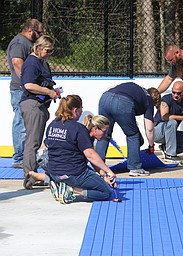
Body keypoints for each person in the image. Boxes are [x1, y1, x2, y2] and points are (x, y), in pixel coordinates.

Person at [26, 95, 117, 204]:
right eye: (81, 109)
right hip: (74, 173)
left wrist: (103, 175)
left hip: (54, 170)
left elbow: (47, 146)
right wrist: (109, 171)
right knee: (106, 192)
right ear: (75, 110)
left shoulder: (52, 125)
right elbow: (90, 155)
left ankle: (52, 180)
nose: (82, 111)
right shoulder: (79, 129)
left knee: (65, 174)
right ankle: (72, 189)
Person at [96, 82, 161, 176]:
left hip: (105, 98)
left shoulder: (137, 90)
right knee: (133, 135)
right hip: (122, 102)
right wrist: (151, 146)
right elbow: (150, 128)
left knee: (103, 134)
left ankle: (98, 168)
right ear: (154, 99)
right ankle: (135, 168)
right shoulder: (148, 99)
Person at [20, 35, 59, 189]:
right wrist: (48, 92)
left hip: (40, 105)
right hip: (32, 104)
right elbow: (28, 85)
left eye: (51, 51)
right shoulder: (31, 63)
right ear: (39, 48)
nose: (49, 53)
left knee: (36, 140)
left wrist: (52, 91)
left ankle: (33, 174)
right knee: (33, 141)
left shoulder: (42, 62)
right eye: (48, 50)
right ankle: (30, 175)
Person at [7, 18, 43, 168]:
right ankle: (19, 157)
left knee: (26, 123)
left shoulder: (27, 43)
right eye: (39, 32)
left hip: (24, 88)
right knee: (21, 122)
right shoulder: (20, 43)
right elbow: (17, 62)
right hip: (20, 89)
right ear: (30, 30)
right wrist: (27, 82)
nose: (40, 35)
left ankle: (24, 156)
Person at [154, 80, 183, 162]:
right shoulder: (165, 99)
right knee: (172, 122)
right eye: (173, 92)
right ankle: (170, 155)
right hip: (157, 132)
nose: (175, 95)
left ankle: (166, 148)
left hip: (171, 134)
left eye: (178, 93)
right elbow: (165, 117)